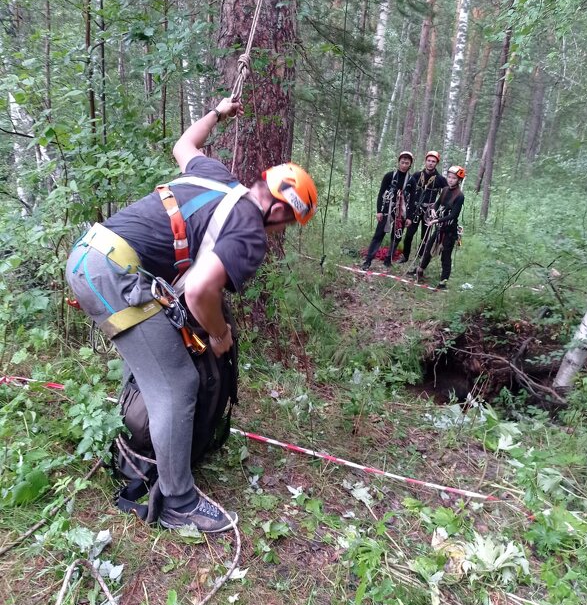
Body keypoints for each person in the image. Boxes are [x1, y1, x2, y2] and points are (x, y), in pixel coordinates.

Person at [66, 97, 317, 533]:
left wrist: (218, 114)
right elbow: (201, 290)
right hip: (113, 275)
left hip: (95, 256)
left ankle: (147, 447)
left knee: (159, 362)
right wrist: (220, 336)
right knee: (179, 384)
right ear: (280, 208)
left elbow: (185, 144)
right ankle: (179, 502)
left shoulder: (217, 176)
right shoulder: (250, 230)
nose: (279, 234)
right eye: (286, 226)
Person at [411, 165, 465, 289]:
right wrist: (434, 211)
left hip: (449, 231)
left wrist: (436, 220)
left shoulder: (459, 196)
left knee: (446, 256)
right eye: (449, 177)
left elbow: (453, 215)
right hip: (439, 227)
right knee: (428, 248)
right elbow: (437, 204)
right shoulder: (445, 190)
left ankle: (443, 281)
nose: (450, 180)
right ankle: (420, 270)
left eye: (454, 178)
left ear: (459, 180)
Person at [361, 151, 414, 270]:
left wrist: (409, 217)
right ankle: (368, 260)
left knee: (397, 236)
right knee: (379, 234)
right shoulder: (389, 176)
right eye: (402, 162)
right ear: (399, 162)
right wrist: (379, 211)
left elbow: (412, 200)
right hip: (387, 208)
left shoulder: (411, 180)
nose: (404, 165)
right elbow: (381, 193)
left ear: (410, 164)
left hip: (401, 212)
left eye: (407, 163)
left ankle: (388, 260)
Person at [399, 150, 448, 264]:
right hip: (415, 210)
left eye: (433, 161)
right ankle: (405, 256)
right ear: (425, 161)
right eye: (429, 161)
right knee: (409, 235)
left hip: (429, 212)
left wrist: (440, 207)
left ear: (436, 163)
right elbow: (407, 190)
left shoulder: (440, 179)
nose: (431, 163)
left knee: (425, 237)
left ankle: (419, 256)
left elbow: (447, 193)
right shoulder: (417, 175)